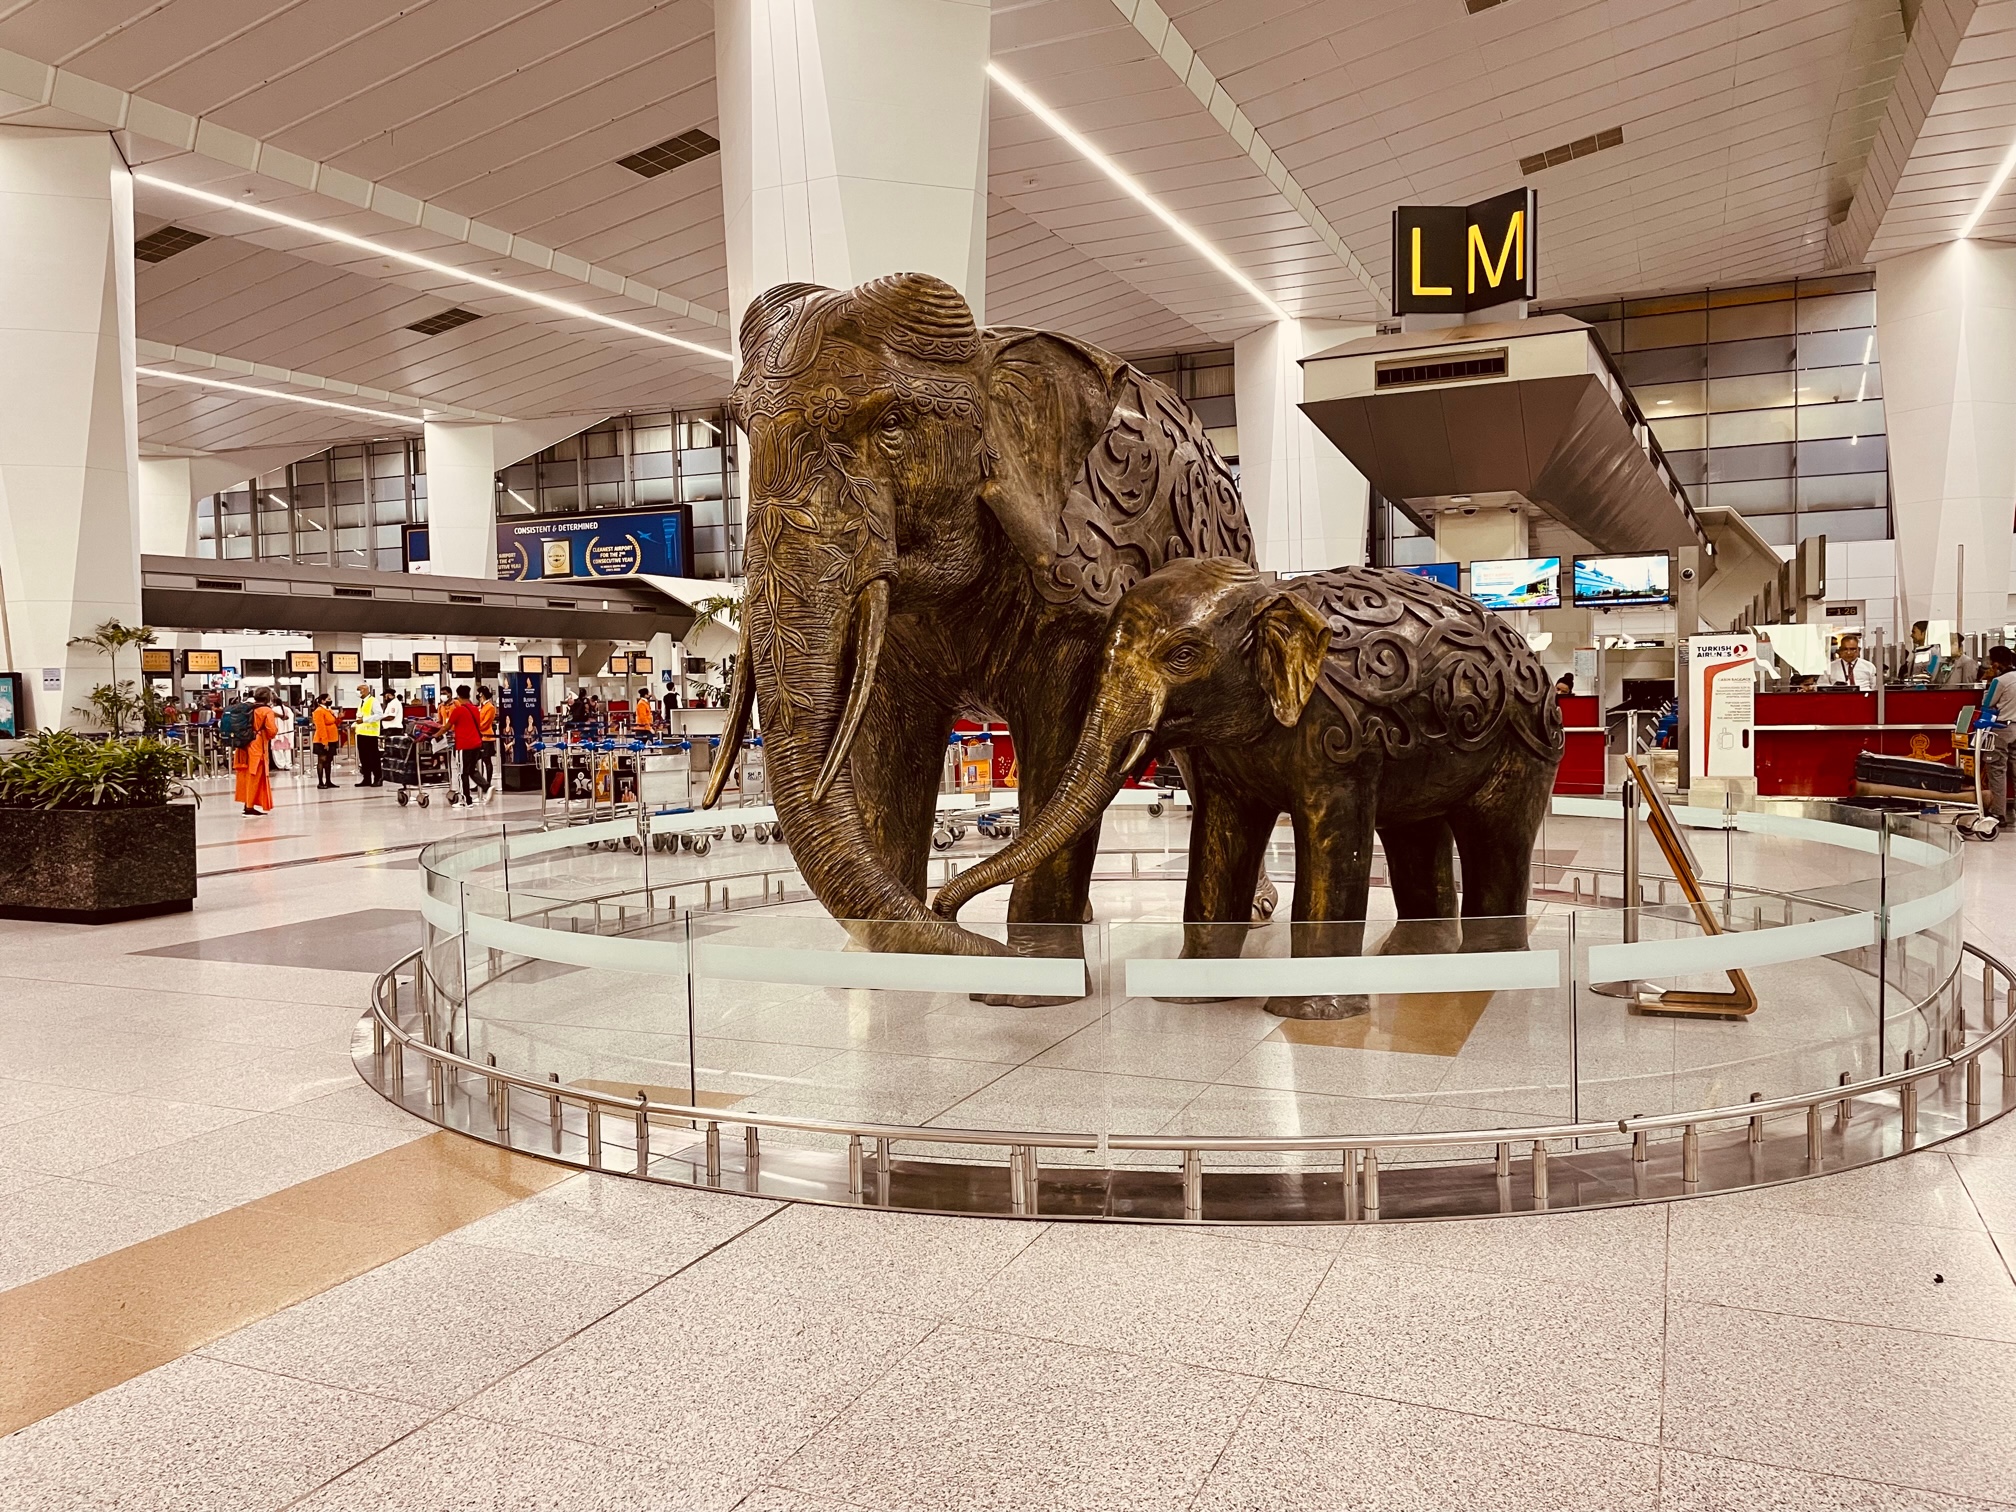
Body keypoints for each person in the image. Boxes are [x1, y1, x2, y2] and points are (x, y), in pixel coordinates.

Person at [1980, 646, 2016, 824]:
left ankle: (1998, 813)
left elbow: (1987, 704)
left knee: (1997, 770)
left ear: (1995, 663)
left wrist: (1988, 683)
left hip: (2002, 728)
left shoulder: (2000, 681)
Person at [233, 687, 279, 816]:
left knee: (245, 776)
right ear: (268, 698)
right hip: (256, 746)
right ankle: (249, 806)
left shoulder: (247, 708)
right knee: (255, 775)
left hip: (242, 746)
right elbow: (272, 731)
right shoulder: (266, 711)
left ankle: (247, 802)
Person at [442, 684, 483, 805]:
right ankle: (485, 786)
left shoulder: (458, 710)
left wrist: (435, 735)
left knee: (462, 773)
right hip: (476, 744)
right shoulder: (475, 709)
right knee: (471, 770)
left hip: (463, 745)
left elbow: (447, 727)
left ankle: (466, 800)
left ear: (458, 696)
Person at [354, 682, 382, 787]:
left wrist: (365, 720)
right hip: (361, 733)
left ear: (364, 690)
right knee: (364, 758)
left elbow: (379, 715)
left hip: (370, 734)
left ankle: (378, 778)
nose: (357, 691)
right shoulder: (361, 702)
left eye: (358, 689)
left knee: (373, 757)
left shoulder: (373, 701)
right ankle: (366, 778)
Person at [474, 686, 498, 798]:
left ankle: (487, 783)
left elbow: (485, 723)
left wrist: (476, 728)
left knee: (487, 761)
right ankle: (480, 782)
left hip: (487, 737)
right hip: (478, 737)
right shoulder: (480, 707)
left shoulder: (490, 707)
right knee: (478, 761)